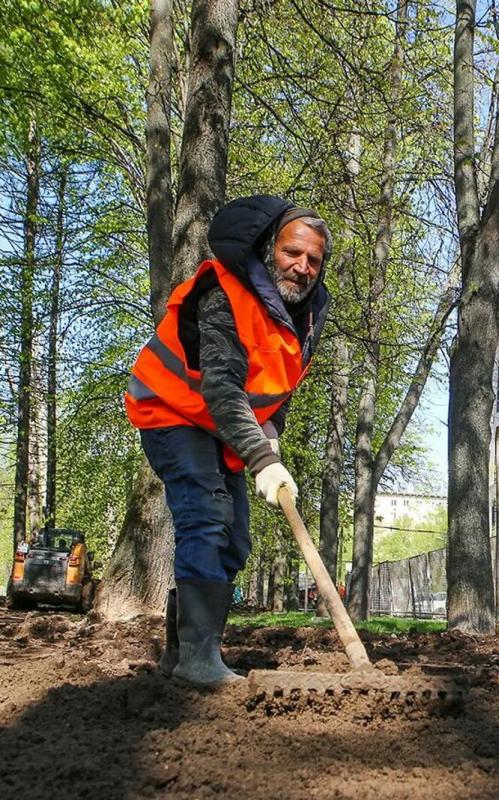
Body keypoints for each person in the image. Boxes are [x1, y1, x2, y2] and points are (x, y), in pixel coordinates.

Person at [125, 196, 332, 685]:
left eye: (313, 261)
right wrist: (260, 456)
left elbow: (280, 383)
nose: (301, 268)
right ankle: (200, 658)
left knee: (235, 540)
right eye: (292, 253)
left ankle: (180, 656)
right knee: (207, 514)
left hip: (221, 427)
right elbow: (221, 386)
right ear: (268, 249)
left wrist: (271, 437)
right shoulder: (225, 292)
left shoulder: (303, 316)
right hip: (172, 411)